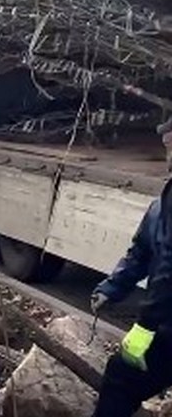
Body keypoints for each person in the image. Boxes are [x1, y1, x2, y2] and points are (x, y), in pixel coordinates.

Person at [90, 177, 172, 417]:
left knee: (121, 380)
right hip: (165, 322)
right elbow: (140, 254)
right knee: (123, 377)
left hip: (165, 325)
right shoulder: (159, 207)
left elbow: (169, 273)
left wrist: (144, 327)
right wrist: (111, 288)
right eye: (167, 141)